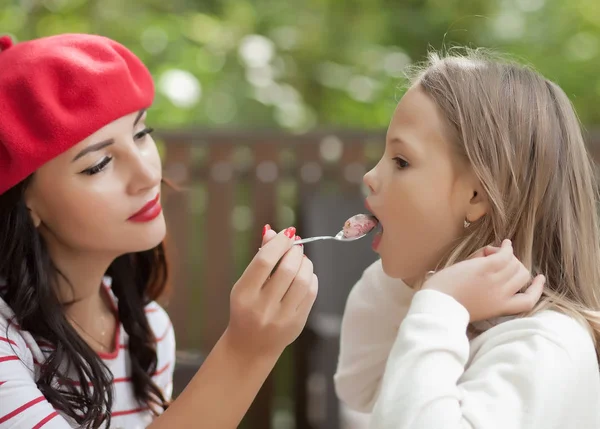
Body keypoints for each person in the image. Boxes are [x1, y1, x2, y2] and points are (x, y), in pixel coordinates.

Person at [0, 33, 318, 428]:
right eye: (99, 164)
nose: (149, 174)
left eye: (141, 134)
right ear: (25, 202)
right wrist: (247, 350)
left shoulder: (147, 329)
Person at [334, 49, 600, 428]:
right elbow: (359, 386)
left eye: (401, 161)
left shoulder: (544, 344)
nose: (371, 176)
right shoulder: (444, 312)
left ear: (477, 196)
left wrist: (439, 305)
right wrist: (421, 287)